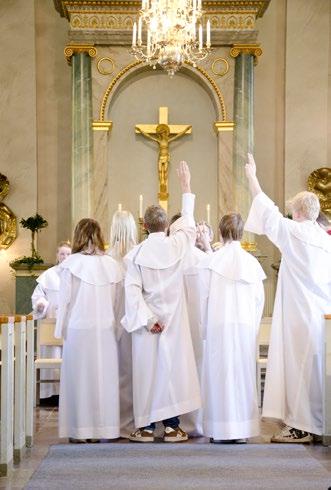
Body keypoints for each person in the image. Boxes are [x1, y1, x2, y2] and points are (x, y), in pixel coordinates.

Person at [245, 153, 331, 443]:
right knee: (318, 370)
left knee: (300, 368)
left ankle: (301, 426)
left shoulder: (295, 233)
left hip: (299, 313)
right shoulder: (326, 239)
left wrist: (252, 178)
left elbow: (267, 212)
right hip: (322, 313)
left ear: (297, 213)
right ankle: (320, 423)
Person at [122, 161, 201, 443]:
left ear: (144, 225)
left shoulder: (134, 255)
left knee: (148, 372)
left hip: (149, 324)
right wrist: (186, 185)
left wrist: (148, 318)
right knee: (171, 371)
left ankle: (144, 427)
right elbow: (189, 224)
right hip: (174, 322)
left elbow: (131, 292)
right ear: (166, 225)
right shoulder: (177, 244)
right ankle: (171, 427)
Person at [55, 218, 123, 442]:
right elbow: (119, 304)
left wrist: (60, 331)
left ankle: (79, 430)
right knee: (102, 380)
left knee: (80, 381)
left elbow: (64, 301)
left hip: (78, 329)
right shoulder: (111, 265)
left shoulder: (70, 264)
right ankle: (101, 430)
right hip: (105, 329)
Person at [199, 213, 265, 443]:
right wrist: (253, 327)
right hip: (244, 326)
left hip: (219, 325)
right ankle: (242, 431)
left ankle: (220, 430)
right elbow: (259, 301)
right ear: (241, 232)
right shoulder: (251, 262)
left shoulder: (213, 261)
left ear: (220, 232)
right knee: (242, 376)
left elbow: (203, 299)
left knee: (220, 376)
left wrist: (204, 329)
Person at [108, 210, 137, 437]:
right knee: (132, 372)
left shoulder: (107, 259)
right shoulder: (137, 255)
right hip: (134, 321)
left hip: (112, 321)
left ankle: (112, 421)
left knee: (113, 372)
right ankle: (130, 422)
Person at [31, 241, 71, 400]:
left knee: (67, 358)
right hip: (51, 322)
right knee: (52, 356)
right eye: (62, 253)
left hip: (68, 325)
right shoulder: (49, 274)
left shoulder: (75, 274)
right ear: (57, 255)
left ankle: (66, 395)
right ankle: (50, 394)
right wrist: (41, 303)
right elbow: (38, 295)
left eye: (68, 254)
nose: (65, 257)